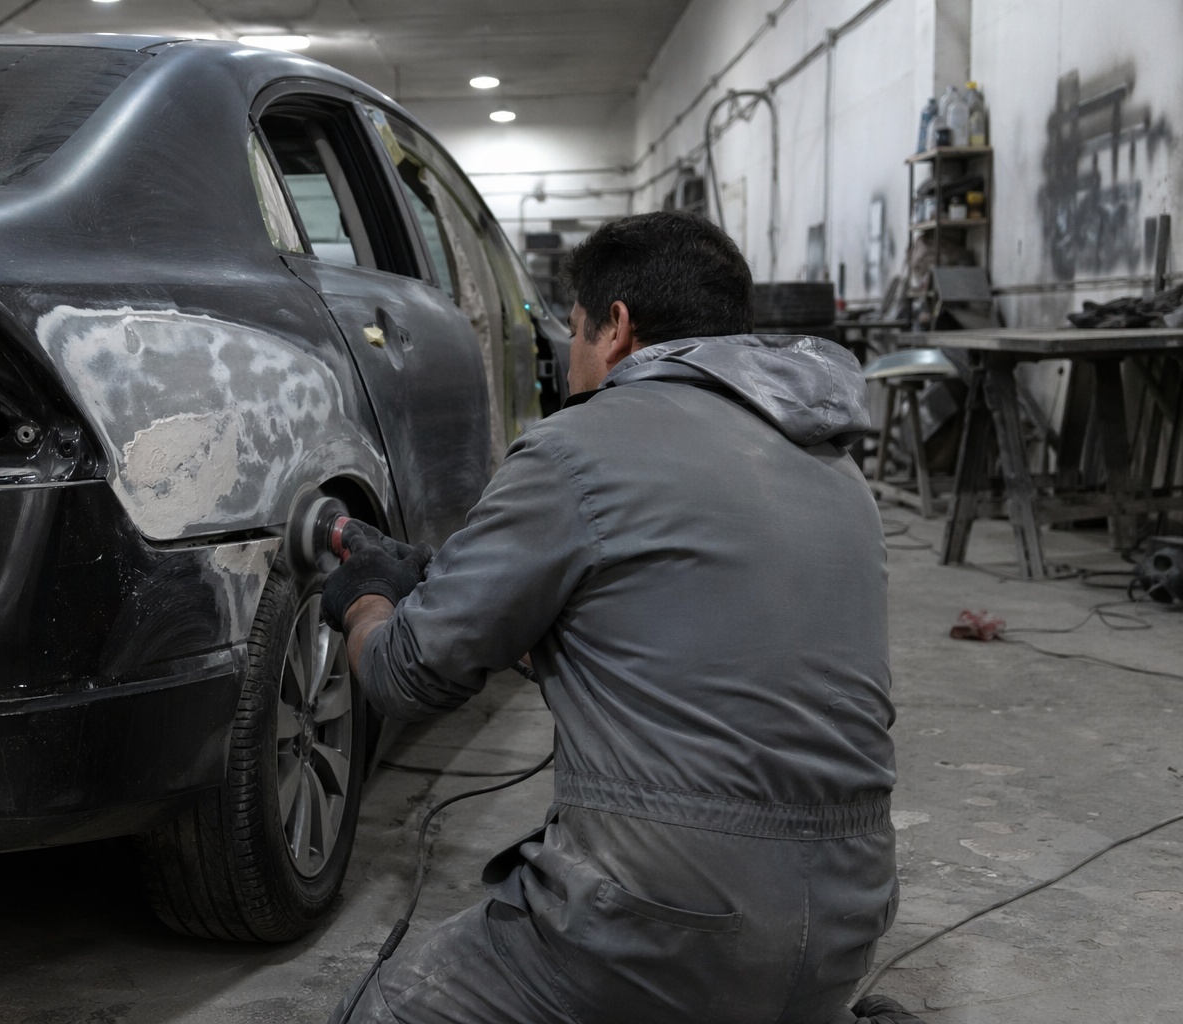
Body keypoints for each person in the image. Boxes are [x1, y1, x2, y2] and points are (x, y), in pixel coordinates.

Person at [321, 211, 921, 1024]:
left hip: (668, 928)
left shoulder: (576, 448)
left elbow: (405, 677)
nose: (570, 358)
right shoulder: (834, 463)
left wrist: (367, 598)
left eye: (573, 333)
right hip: (849, 919)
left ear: (618, 329)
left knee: (385, 1013)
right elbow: (673, 643)